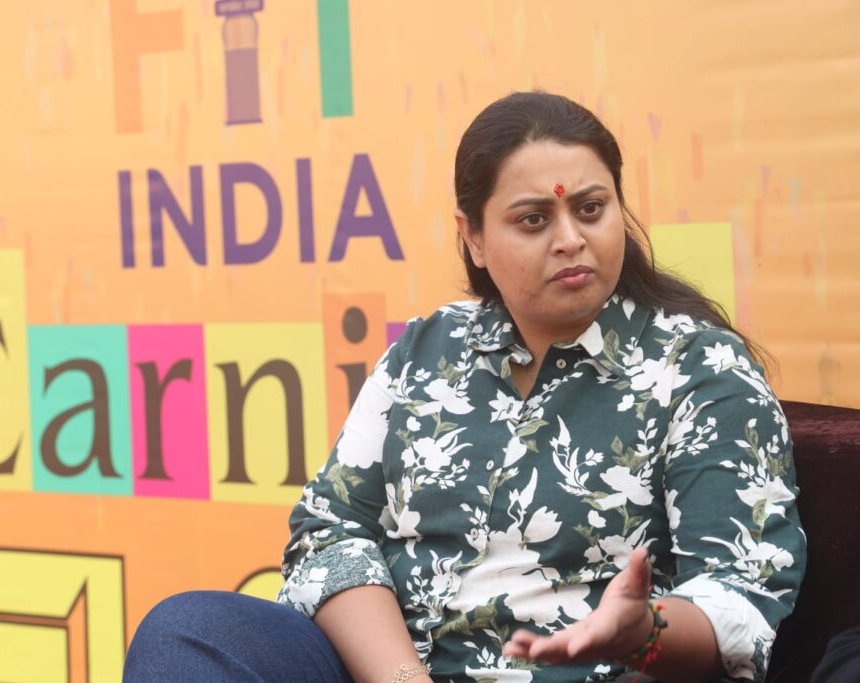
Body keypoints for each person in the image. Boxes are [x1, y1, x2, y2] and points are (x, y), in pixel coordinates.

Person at [123, 91, 806, 683]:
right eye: (533, 219)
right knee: (188, 631)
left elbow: (739, 596)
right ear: (473, 237)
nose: (570, 239)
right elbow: (329, 532)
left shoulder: (699, 369)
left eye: (592, 209)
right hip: (395, 670)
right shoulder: (427, 349)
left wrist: (644, 630)